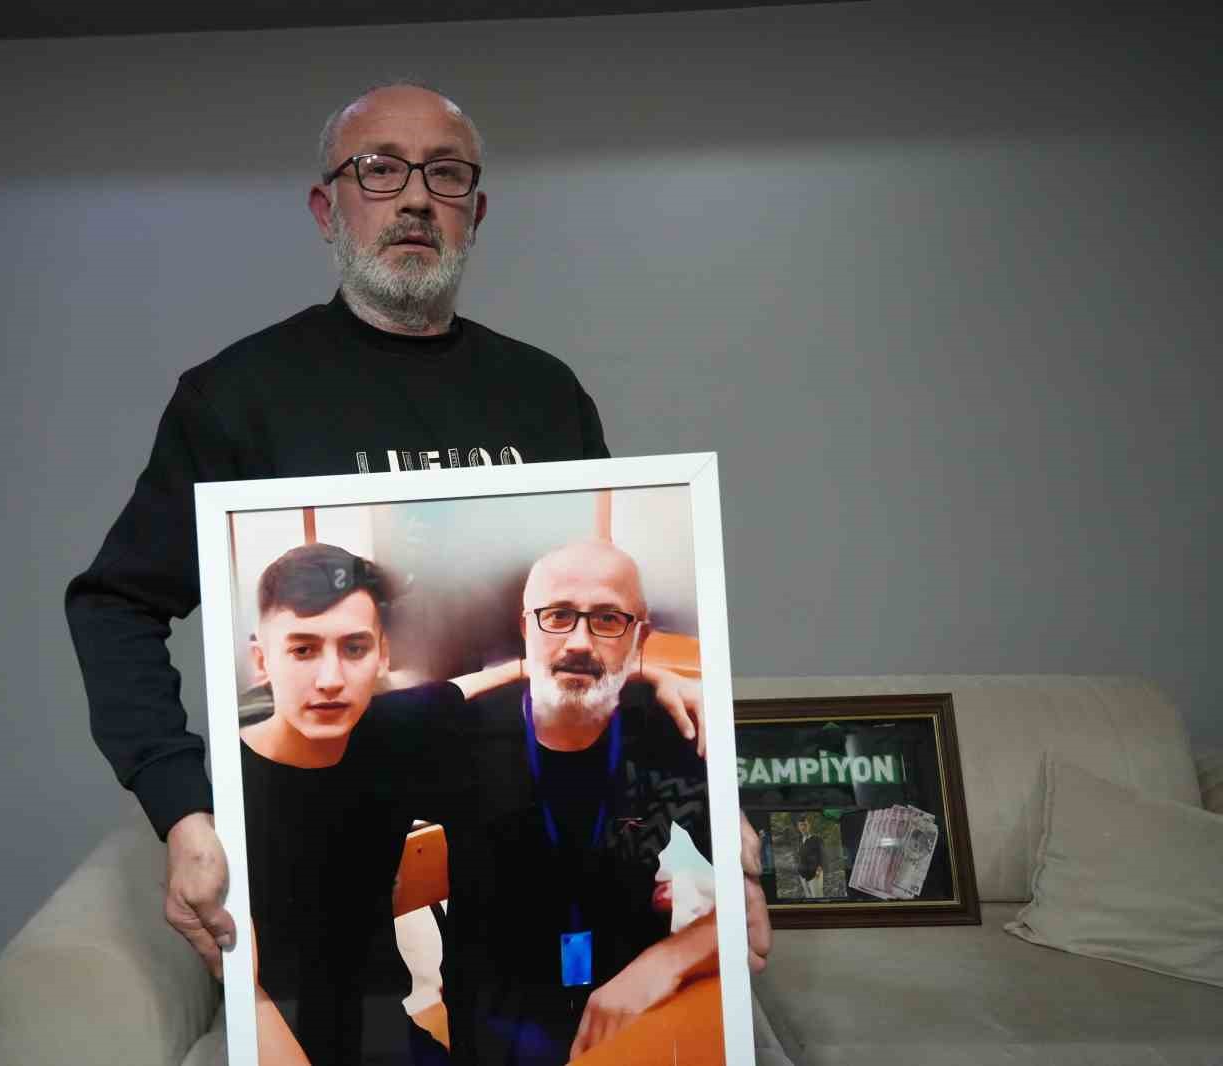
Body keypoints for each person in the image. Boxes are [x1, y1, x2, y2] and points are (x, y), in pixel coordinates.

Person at [63, 80, 771, 986]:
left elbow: (595, 592)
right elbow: (115, 605)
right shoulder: (238, 397)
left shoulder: (545, 394)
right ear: (327, 208)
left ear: (475, 213)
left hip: (527, 788)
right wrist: (182, 808)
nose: (413, 198)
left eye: (444, 174)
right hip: (346, 790)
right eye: (379, 170)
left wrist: (673, 722)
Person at [239, 542, 708, 1064]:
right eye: (302, 650)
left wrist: (652, 675)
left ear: (381, 655)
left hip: (618, 1020)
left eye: (608, 620)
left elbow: (760, 896)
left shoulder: (669, 728)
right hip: (467, 1034)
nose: (330, 680)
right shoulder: (238, 785)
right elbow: (244, 987)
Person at [433, 539, 762, 1064]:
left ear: (639, 636)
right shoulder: (461, 736)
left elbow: (755, 914)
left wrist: (665, 964)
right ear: (525, 628)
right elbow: (371, 727)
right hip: (494, 1022)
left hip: (633, 1011)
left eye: (608, 619)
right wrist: (526, 669)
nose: (580, 642)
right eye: (557, 616)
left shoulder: (669, 728)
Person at [796, 815, 825, 899]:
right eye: (801, 825)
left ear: (809, 825)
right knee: (808, 898)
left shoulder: (817, 839)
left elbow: (822, 855)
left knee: (817, 898)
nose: (803, 827)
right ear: (798, 827)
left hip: (814, 875)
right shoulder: (799, 839)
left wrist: (819, 869)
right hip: (802, 875)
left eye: (805, 825)